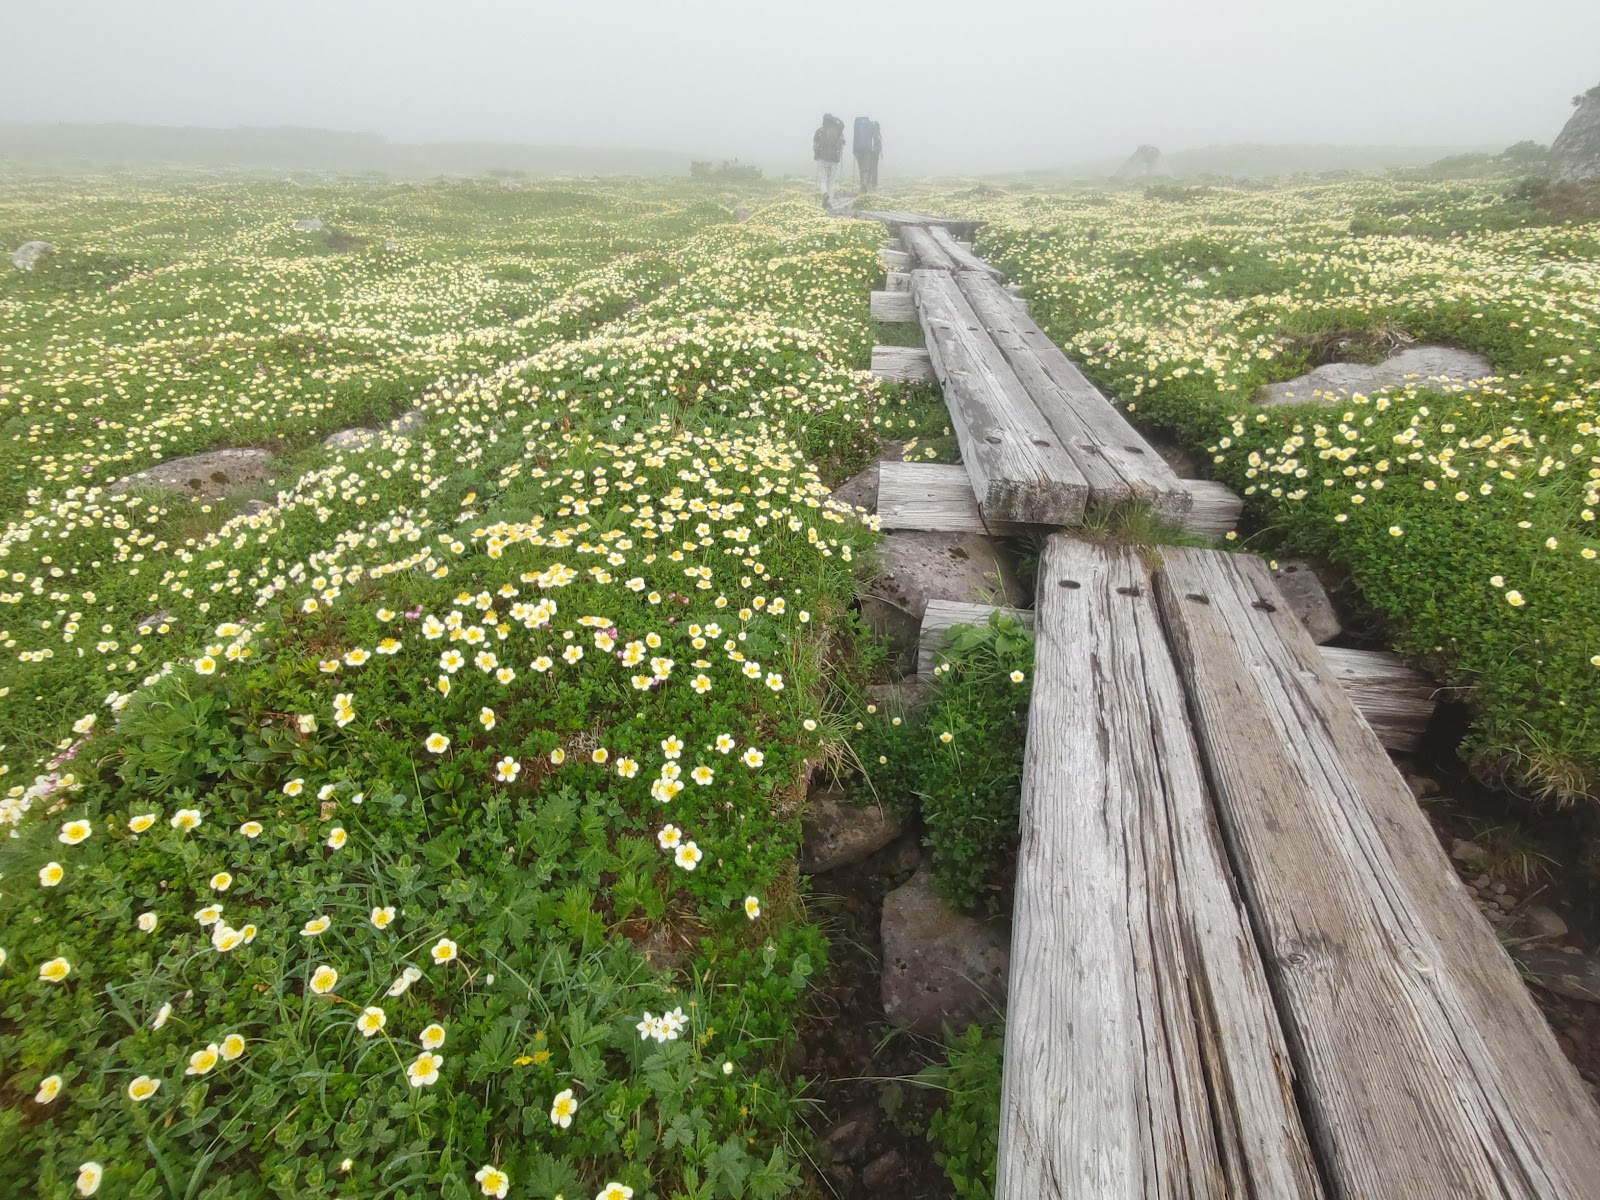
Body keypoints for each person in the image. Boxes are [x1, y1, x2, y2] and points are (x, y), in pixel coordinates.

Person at [813, 114, 845, 206]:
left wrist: (816, 155)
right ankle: (830, 201)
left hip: (822, 159)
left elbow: (815, 146)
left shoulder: (819, 131)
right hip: (834, 160)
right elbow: (842, 144)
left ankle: (824, 193)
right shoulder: (838, 131)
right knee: (831, 181)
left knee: (822, 179)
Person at [854, 117, 882, 191]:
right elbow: (877, 140)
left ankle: (863, 185)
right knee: (871, 168)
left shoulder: (858, 125)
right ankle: (871, 185)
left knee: (862, 169)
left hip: (858, 150)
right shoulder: (873, 126)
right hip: (871, 150)